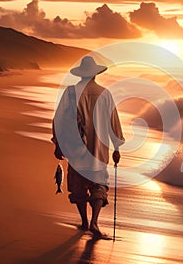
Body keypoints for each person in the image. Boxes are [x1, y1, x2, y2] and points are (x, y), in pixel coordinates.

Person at [52, 56, 125, 238]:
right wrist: (117, 146)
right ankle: (94, 222)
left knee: (78, 186)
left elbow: (58, 120)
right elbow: (113, 121)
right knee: (98, 185)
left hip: (76, 150)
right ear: (95, 75)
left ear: (81, 75)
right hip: (99, 149)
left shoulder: (70, 92)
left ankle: (84, 221)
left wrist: (57, 144)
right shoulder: (105, 93)